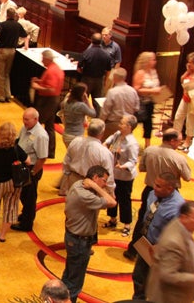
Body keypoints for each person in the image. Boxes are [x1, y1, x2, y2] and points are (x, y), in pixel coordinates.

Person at [125, 129, 191, 260]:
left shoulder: (149, 150)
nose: (180, 143)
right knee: (164, 223)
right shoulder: (178, 158)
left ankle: (133, 249)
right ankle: (156, 253)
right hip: (168, 193)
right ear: (172, 141)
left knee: (143, 219)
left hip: (149, 189)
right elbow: (187, 177)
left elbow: (142, 168)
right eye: (179, 140)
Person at [60, 165, 116, 302]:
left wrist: (97, 186)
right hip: (79, 241)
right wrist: (97, 188)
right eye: (104, 181)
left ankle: (60, 299)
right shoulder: (85, 195)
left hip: (75, 237)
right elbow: (112, 202)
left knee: (69, 274)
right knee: (75, 282)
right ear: (95, 178)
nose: (105, 185)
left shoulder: (79, 184)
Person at [130, 173, 185, 299]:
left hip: (163, 254)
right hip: (146, 246)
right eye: (155, 184)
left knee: (158, 288)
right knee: (139, 278)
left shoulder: (177, 208)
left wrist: (160, 247)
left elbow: (178, 236)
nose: (154, 187)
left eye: (159, 186)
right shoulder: (152, 194)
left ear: (170, 188)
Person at [145, 201, 194, 303]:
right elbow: (167, 274)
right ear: (184, 217)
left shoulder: (180, 225)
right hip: (169, 298)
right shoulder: (174, 242)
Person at [102, 114, 139, 236]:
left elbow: (133, 161)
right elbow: (109, 140)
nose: (119, 125)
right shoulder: (118, 134)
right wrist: (105, 145)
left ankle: (127, 224)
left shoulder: (132, 143)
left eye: (122, 123)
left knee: (124, 200)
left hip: (124, 176)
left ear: (129, 127)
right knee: (112, 195)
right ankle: (112, 219)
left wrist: (123, 166)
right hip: (113, 173)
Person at [13, 108, 48, 232]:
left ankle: (26, 224)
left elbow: (42, 158)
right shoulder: (25, 128)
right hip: (22, 167)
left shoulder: (41, 135)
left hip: (32, 168)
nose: (24, 122)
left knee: (29, 197)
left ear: (36, 119)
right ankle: (25, 214)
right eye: (24, 118)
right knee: (23, 194)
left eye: (27, 119)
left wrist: (33, 173)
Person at [62, 120, 116, 197]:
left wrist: (66, 179)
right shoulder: (104, 152)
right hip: (92, 184)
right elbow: (109, 175)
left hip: (73, 180)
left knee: (74, 206)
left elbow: (66, 161)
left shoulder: (75, 141)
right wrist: (110, 192)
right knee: (88, 208)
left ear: (87, 130)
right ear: (102, 134)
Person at [32, 50, 64, 159]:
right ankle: (50, 152)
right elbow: (50, 85)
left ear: (47, 59)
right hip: (53, 100)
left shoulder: (52, 71)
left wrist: (36, 86)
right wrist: (40, 81)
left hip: (47, 100)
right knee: (50, 126)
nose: (41, 60)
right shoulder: (56, 68)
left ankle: (32, 148)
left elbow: (51, 89)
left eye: (43, 58)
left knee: (36, 124)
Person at [0, 7, 28, 103]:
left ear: (7, 15)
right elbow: (26, 36)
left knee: (0, 74)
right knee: (7, 74)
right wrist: (26, 46)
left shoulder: (3, 24)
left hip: (2, 51)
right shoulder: (18, 25)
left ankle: (1, 96)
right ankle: (8, 94)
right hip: (12, 51)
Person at [132, 52, 163, 147]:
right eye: (153, 59)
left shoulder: (153, 71)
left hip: (150, 102)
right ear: (147, 61)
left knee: (148, 123)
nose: (155, 61)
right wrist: (153, 91)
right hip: (141, 103)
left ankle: (148, 145)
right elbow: (136, 89)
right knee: (134, 122)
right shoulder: (140, 73)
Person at [100, 68, 139, 136]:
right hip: (128, 125)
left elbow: (105, 112)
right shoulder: (133, 91)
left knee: (104, 144)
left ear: (114, 78)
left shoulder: (112, 92)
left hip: (112, 124)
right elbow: (136, 108)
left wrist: (101, 122)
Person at [60, 83, 97, 147]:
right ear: (81, 93)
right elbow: (93, 113)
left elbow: (62, 106)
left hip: (66, 134)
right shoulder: (81, 106)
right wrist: (87, 100)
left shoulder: (65, 102)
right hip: (76, 137)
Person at [78, 33, 113, 99]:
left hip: (86, 79)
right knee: (97, 101)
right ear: (101, 41)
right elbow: (108, 70)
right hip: (99, 81)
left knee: (83, 99)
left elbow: (79, 68)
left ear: (91, 40)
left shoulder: (86, 53)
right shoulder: (106, 55)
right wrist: (105, 81)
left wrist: (83, 74)